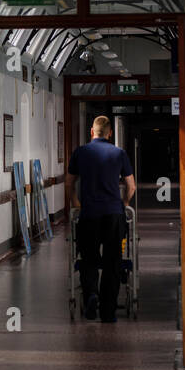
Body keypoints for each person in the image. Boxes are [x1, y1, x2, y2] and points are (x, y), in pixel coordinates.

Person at [65, 115, 135, 322]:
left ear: (92, 132)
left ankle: (91, 296)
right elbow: (131, 186)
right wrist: (124, 203)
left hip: (89, 214)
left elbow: (69, 183)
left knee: (89, 259)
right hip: (113, 214)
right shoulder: (119, 153)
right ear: (110, 133)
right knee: (113, 262)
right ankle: (108, 310)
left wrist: (76, 202)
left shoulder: (80, 152)